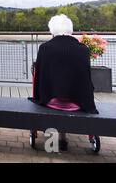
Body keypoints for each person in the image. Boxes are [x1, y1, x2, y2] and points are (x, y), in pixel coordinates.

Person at [30, 14, 98, 151]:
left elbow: (40, 80)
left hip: (51, 102)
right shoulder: (83, 49)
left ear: (52, 30)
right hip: (78, 103)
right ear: (70, 29)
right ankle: (62, 139)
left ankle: (53, 144)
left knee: (53, 96)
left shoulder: (45, 48)